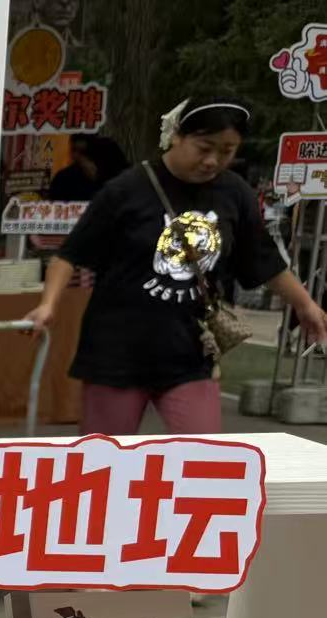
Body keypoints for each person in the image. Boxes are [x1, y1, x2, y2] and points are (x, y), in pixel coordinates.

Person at [26, 98, 327, 434]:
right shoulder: (126, 190)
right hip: (116, 352)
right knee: (105, 458)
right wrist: (48, 305)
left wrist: (305, 305)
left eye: (227, 151)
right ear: (178, 136)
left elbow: (264, 259)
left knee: (203, 457)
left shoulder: (235, 193)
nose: (212, 161)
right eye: (204, 148)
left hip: (189, 351)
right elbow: (70, 254)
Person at [44, 134, 126, 201]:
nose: (76, 156)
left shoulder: (112, 172)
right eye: (74, 150)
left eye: (83, 152)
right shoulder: (63, 178)